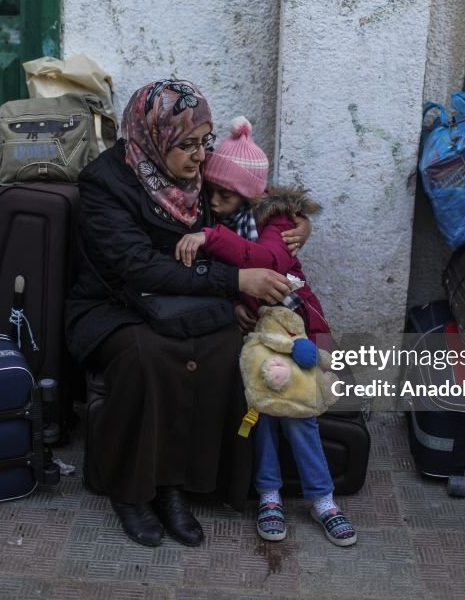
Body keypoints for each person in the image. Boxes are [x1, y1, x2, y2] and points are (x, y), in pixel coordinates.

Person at [65, 80, 310, 548]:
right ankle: (132, 490)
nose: (200, 157)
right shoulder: (104, 182)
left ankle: (177, 485)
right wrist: (235, 283)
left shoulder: (197, 179)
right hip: (113, 304)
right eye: (188, 145)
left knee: (222, 349)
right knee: (149, 356)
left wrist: (295, 223)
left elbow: (255, 204)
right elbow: (136, 265)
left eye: (206, 142)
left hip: (184, 302)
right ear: (154, 135)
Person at [173, 117, 358, 547]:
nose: (214, 202)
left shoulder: (271, 223)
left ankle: (323, 499)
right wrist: (236, 303)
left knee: (298, 415)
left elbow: (269, 262)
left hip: (300, 333)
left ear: (250, 195)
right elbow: (222, 277)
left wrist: (210, 237)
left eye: (225, 194)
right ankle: (269, 494)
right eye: (211, 192)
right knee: (263, 415)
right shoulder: (226, 215)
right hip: (259, 337)